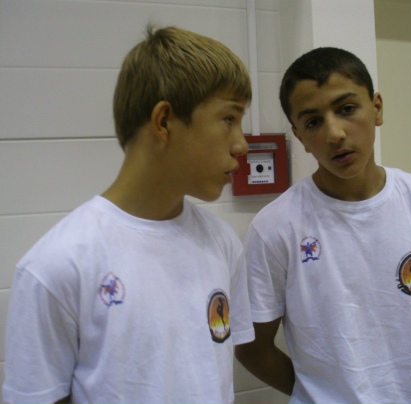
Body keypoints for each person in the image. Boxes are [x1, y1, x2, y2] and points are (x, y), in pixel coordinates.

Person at [3, 26, 254, 404]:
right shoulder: (57, 265)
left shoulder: (222, 243)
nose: (242, 144)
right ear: (164, 121)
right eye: (229, 119)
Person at [235, 47, 411, 404]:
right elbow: (252, 347)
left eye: (347, 109)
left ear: (377, 108)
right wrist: (317, 392)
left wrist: (399, 348)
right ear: (299, 137)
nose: (334, 134)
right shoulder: (275, 227)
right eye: (313, 122)